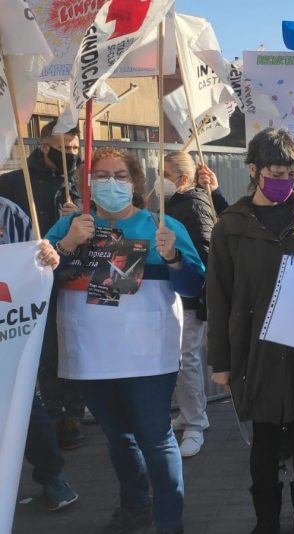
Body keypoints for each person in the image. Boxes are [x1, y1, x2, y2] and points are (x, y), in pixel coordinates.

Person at [45, 147, 205, 534]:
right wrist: (67, 245)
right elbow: (38, 283)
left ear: (134, 183)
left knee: (155, 436)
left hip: (147, 355)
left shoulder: (160, 226)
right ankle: (136, 505)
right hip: (91, 355)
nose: (111, 182)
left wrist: (173, 259)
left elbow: (194, 286)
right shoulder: (68, 226)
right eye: (101, 175)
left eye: (120, 175)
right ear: (87, 183)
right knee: (118, 438)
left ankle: (170, 521)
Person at [207, 128, 294, 534]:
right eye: (274, 172)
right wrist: (222, 362)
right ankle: (266, 522)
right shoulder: (230, 225)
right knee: (263, 439)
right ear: (253, 170)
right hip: (255, 351)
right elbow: (218, 296)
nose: (283, 181)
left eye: (289, 173)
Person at [0, 119, 86, 450]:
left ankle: (75, 414)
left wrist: (78, 213)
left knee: (74, 346)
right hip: (34, 280)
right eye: (66, 150)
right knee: (47, 349)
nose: (73, 155)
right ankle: (53, 416)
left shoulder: (77, 180)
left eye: (76, 149)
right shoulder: (13, 182)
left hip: (75, 276)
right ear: (46, 147)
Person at [0, 197, 79, 511]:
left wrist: (48, 258)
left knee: (24, 407)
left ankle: (52, 477)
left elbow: (33, 266)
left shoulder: (9, 213)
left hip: (7, 333)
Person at [163, 152, 218, 458]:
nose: (161, 180)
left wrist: (202, 295)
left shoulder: (195, 205)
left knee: (188, 358)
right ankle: (188, 414)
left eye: (166, 174)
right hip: (178, 292)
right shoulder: (176, 203)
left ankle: (196, 422)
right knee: (181, 357)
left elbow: (207, 253)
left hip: (192, 294)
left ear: (182, 179)